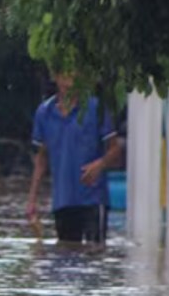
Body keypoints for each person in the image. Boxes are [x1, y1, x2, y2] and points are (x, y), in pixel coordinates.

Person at [26, 73, 122, 244]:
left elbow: (115, 149)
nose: (69, 78)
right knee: (66, 255)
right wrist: (32, 200)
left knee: (95, 254)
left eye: (74, 72)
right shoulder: (44, 113)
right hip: (63, 199)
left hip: (93, 197)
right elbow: (41, 159)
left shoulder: (96, 108)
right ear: (54, 76)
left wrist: (100, 164)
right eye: (64, 72)